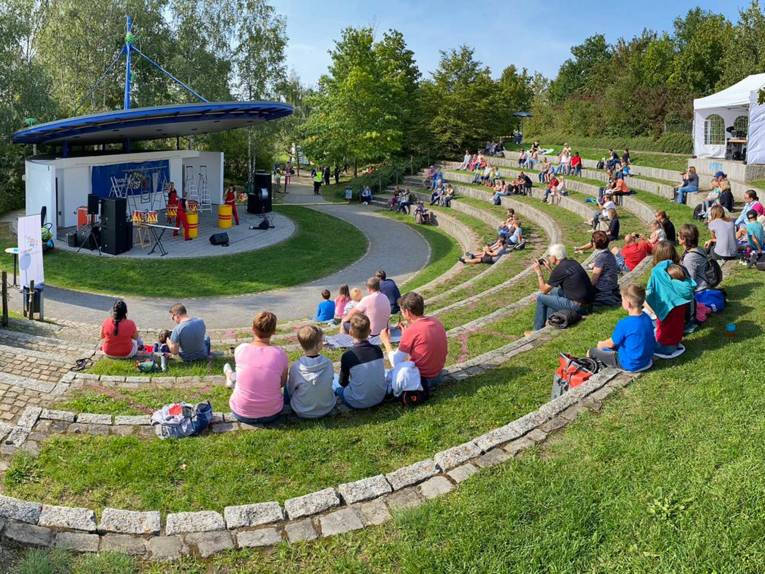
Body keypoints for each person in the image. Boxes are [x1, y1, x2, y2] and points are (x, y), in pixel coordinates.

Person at [225, 311, 288, 425]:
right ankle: (230, 376)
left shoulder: (241, 349)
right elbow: (282, 383)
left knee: (237, 376)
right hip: (273, 412)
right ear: (273, 331)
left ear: (253, 329)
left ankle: (229, 376)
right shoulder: (280, 354)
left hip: (242, 412)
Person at [380, 291, 447, 389]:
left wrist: (386, 342)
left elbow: (395, 363)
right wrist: (405, 336)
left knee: (386, 374)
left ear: (407, 312)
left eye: (401, 312)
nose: (402, 314)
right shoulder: (435, 321)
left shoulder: (412, 330)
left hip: (421, 380)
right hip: (438, 375)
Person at [526, 244, 594, 333]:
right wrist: (550, 269)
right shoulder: (573, 262)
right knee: (553, 292)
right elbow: (560, 279)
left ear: (554, 257)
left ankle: (537, 330)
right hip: (588, 304)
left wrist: (539, 272)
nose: (549, 258)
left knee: (541, 297)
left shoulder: (560, 269)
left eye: (549, 256)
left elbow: (543, 290)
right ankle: (550, 320)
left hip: (578, 307)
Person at [587, 284, 654, 372]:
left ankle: (591, 370)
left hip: (630, 364)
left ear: (628, 303)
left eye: (622, 299)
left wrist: (601, 344)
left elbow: (611, 344)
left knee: (592, 351)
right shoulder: (647, 317)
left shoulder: (625, 323)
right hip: (646, 361)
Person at [646, 242, 695, 359]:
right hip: (680, 306)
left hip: (666, 308)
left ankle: (665, 346)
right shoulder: (679, 269)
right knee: (675, 324)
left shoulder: (657, 272)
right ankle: (674, 342)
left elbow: (650, 293)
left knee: (661, 326)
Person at [332, 314, 386, 409]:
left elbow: (342, 382)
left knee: (334, 381)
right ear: (369, 331)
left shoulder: (348, 355)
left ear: (350, 332)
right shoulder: (377, 350)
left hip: (356, 402)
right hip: (380, 397)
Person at [286, 325, 336, 419]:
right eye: (322, 340)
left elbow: (291, 390)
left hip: (301, 410)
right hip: (327, 407)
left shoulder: (296, 367)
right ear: (318, 345)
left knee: (287, 386)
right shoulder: (328, 363)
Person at [589, 231, 621, 307]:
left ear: (596, 243)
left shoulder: (601, 257)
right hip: (612, 285)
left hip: (604, 288)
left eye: (592, 240)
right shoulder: (609, 253)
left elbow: (594, 278)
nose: (592, 242)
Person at [679, 224, 710, 291]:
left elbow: (690, 280)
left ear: (684, 239)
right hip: (705, 282)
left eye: (678, 235)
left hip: (699, 289)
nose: (677, 237)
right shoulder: (699, 249)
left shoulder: (689, 258)